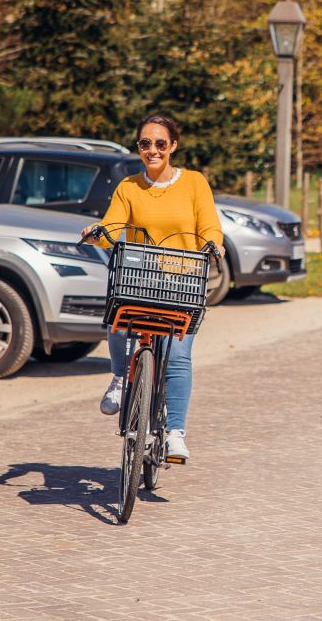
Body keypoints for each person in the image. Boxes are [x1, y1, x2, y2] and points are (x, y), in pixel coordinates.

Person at [81, 114, 223, 460]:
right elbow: (113, 226)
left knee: (177, 355)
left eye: (161, 143)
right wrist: (98, 233)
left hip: (183, 281)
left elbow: (209, 225)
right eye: (145, 144)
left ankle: (175, 433)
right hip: (142, 278)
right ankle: (119, 377)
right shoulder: (129, 187)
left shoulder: (193, 183)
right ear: (139, 147)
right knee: (119, 313)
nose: (153, 150)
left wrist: (213, 244)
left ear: (173, 146)